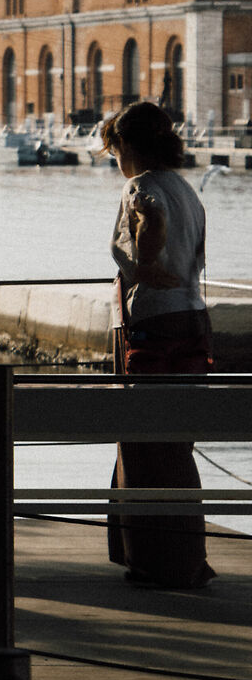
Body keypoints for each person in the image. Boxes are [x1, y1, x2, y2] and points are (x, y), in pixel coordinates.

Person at [102, 102, 216, 588]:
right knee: (177, 441)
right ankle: (187, 553)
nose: (116, 161)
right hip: (193, 318)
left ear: (127, 145)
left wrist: (145, 257)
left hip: (153, 322)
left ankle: (155, 559)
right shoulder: (188, 189)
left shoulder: (141, 187)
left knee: (146, 439)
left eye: (115, 151)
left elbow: (143, 255)